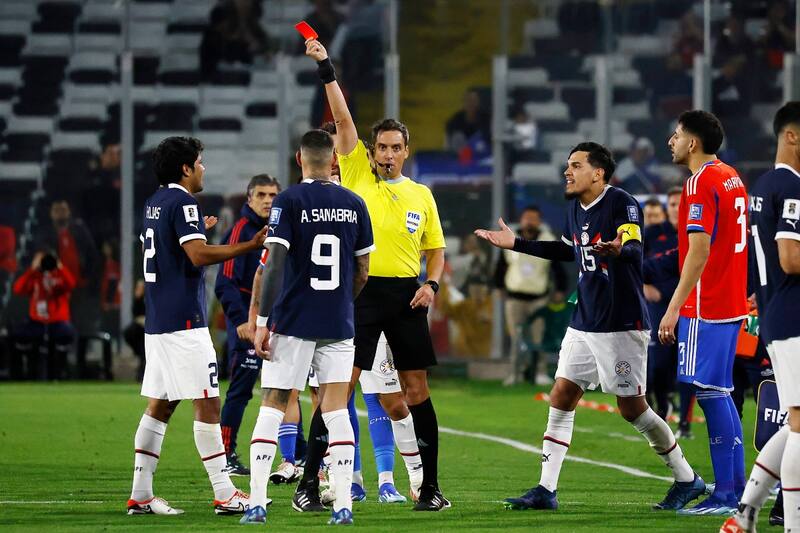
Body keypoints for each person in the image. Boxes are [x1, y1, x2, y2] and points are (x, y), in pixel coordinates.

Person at [475, 141, 705, 512]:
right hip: (584, 320)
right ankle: (545, 490)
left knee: (633, 408)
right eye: (568, 165)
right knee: (562, 395)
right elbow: (568, 250)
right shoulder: (574, 208)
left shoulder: (621, 202)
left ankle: (686, 478)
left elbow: (633, 245)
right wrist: (516, 243)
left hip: (620, 322)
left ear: (598, 172)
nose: (568, 171)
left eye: (576, 165)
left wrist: (620, 250)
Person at [302, 38, 449, 511]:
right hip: (361, 294)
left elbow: (437, 251)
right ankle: (309, 484)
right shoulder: (358, 175)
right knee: (338, 388)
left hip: (406, 296)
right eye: (381, 146)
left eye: (395, 147)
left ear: (406, 150)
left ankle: (429, 489)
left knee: (416, 391)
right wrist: (326, 67)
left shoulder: (422, 195)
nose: (387, 153)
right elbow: (342, 119)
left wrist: (432, 285)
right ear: (371, 149)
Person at [126, 136, 267, 516]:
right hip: (184, 323)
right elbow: (198, 254)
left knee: (162, 404)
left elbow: (166, 248)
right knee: (208, 401)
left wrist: (196, 232)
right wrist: (249, 245)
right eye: (200, 162)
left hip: (158, 320)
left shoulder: (155, 202)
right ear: (186, 168)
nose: (203, 168)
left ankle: (140, 495)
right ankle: (225, 492)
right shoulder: (183, 202)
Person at [240, 128, 373, 526]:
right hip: (338, 321)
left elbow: (275, 264)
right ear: (334, 159)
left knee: (274, 404)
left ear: (300, 159)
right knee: (335, 410)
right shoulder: (355, 203)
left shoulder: (289, 200)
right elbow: (363, 269)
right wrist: (340, 304)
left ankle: (258, 503)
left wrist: (262, 322)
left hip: (293, 322)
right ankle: (343, 505)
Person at [656, 110, 748, 515]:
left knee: (708, 393)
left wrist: (674, 307)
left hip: (705, 302)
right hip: (731, 300)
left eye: (676, 136)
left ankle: (726, 494)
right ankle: (737, 485)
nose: (671, 142)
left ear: (693, 142)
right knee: (721, 392)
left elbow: (699, 250)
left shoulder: (700, 181)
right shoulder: (732, 176)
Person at [721, 101, 800, 533]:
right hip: (792, 317)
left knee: (796, 421)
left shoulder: (764, 186)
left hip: (776, 314)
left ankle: (745, 512)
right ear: (791, 136)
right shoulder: (790, 186)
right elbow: (790, 258)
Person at [214, 174, 287, 476]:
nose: (268, 200)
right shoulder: (242, 232)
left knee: (285, 389)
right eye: (261, 195)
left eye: (272, 195)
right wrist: (242, 321)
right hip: (247, 321)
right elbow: (225, 283)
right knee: (241, 389)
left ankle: (294, 456)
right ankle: (226, 456)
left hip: (276, 320)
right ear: (249, 199)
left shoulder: (281, 228)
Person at [493, 206, 567, 385]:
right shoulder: (510, 238)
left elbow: (558, 268)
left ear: (539, 222)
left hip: (539, 299)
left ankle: (540, 372)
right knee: (516, 338)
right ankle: (515, 373)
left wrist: (560, 289)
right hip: (514, 298)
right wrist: (498, 287)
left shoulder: (548, 240)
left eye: (534, 218)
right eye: (527, 218)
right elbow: (501, 266)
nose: (530, 221)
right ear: (521, 219)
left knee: (538, 337)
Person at [12, 250, 76, 380]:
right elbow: (17, 289)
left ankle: (60, 374)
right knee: (17, 335)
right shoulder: (34, 276)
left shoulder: (59, 275)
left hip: (57, 321)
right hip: (36, 321)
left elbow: (71, 284)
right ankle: (20, 375)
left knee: (67, 333)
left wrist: (60, 267)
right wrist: (32, 270)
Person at [445, 89, 491, 153]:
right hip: (460, 156)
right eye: (468, 100)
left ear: (478, 102)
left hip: (481, 154)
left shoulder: (487, 119)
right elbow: (448, 147)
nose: (471, 104)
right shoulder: (454, 121)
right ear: (464, 102)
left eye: (474, 100)